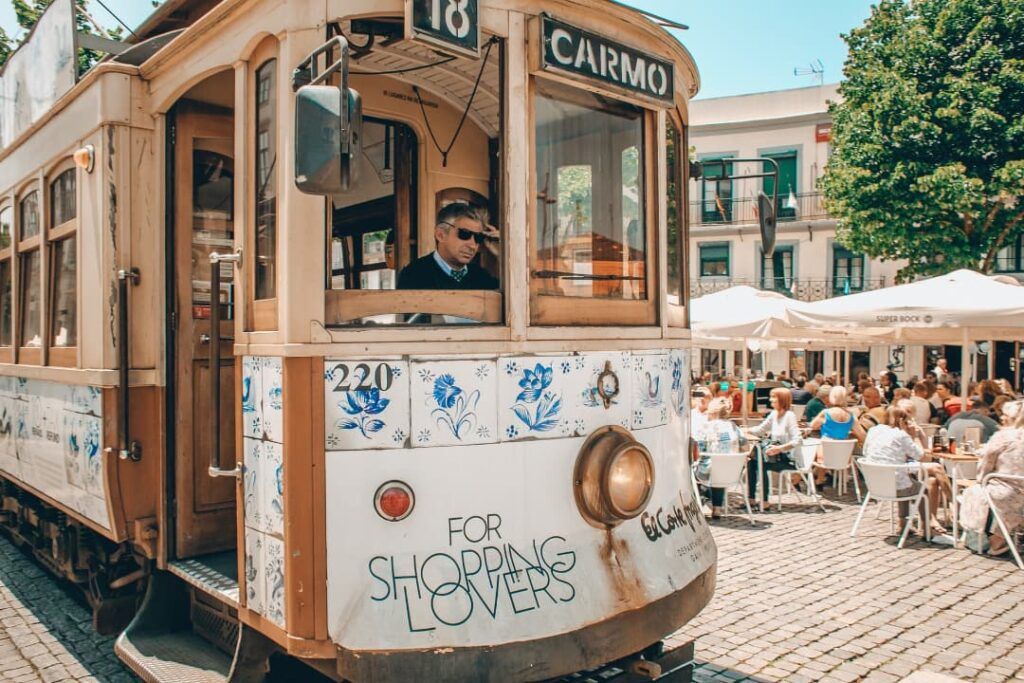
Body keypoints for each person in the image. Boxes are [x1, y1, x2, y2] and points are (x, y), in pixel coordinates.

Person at [862, 407, 949, 538]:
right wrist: (913, 436)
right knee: (922, 489)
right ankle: (927, 528)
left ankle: (903, 524)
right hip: (895, 485)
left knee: (904, 479)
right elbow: (920, 455)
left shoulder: (873, 431)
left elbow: (865, 453)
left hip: (875, 485)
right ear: (902, 421)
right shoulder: (901, 435)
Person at [958, 408, 1024, 557]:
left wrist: (981, 478)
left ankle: (995, 539)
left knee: (974, 491)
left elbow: (987, 461)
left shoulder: (1005, 436)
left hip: (1005, 491)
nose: (1001, 418)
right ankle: (1000, 537)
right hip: (1020, 493)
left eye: (1005, 415)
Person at [397, 202, 499, 290]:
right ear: (440, 235)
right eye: (464, 234)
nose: (473, 245)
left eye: (478, 238)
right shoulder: (414, 274)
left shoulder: (481, 276)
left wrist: (501, 253)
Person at [746, 387, 802, 506]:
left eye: (774, 398)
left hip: (789, 459)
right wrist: (745, 430)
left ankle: (764, 501)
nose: (770, 400)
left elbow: (798, 440)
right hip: (777, 456)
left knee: (762, 465)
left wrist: (779, 449)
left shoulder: (789, 416)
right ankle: (751, 499)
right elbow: (760, 430)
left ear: (781, 400)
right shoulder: (774, 414)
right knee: (751, 463)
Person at [694, 398, 749, 518]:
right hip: (732, 473)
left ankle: (698, 504)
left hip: (710, 472)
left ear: (712, 411)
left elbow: (700, 447)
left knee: (694, 471)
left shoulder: (706, 427)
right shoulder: (734, 426)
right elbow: (745, 445)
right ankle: (717, 509)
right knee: (720, 466)